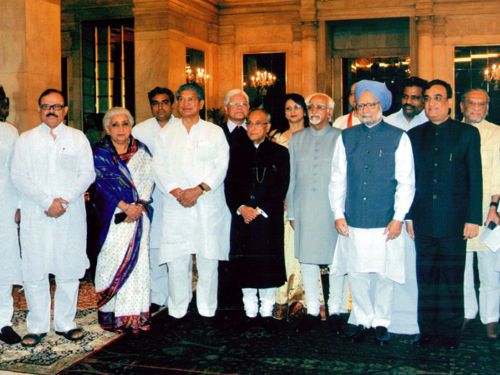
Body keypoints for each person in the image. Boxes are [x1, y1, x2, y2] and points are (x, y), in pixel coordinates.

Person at [330, 80, 415, 345]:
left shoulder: (398, 137)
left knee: (384, 273)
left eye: (371, 104)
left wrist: (399, 217)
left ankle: (381, 322)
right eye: (361, 104)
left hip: (385, 219)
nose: (366, 109)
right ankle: (364, 320)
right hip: (354, 217)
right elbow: (337, 179)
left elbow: (406, 182)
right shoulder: (345, 136)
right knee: (356, 272)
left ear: (382, 106)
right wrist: (338, 213)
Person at [11, 89, 95, 347]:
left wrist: (63, 200)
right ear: (39, 109)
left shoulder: (78, 138)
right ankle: (36, 326)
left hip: (69, 215)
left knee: (68, 269)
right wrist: (47, 202)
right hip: (37, 214)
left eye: (57, 106)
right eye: (46, 105)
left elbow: (87, 174)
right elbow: (19, 176)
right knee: (35, 271)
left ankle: (65, 323)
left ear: (65, 110)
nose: (51, 110)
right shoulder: (26, 139)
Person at [407, 80, 482, 350]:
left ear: (450, 102)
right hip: (423, 221)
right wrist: (409, 217)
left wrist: (473, 218)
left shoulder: (467, 134)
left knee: (452, 279)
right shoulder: (415, 135)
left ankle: (450, 333)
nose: (431, 103)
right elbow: (409, 180)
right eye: (427, 98)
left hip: (455, 222)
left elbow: (476, 178)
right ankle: (426, 331)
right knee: (426, 279)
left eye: (437, 98)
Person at [153, 83, 230, 323]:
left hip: (207, 204)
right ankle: (178, 310)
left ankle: (207, 309)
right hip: (176, 205)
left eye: (191, 99)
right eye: (182, 99)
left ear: (201, 104)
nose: (186, 103)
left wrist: (199, 190)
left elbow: (221, 166)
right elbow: (159, 168)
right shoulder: (166, 134)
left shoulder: (214, 131)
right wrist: (178, 192)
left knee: (208, 260)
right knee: (177, 260)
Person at [225, 108, 289, 333]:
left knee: (266, 267)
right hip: (243, 219)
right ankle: (250, 313)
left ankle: (267, 312)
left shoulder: (280, 153)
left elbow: (281, 186)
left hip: (266, 220)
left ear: (268, 127)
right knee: (246, 268)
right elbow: (230, 185)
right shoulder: (236, 152)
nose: (252, 128)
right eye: (249, 123)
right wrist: (241, 208)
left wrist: (260, 209)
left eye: (258, 124)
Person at [92, 107, 154, 333]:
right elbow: (99, 184)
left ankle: (135, 316)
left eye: (125, 123)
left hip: (139, 216)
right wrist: (124, 206)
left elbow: (149, 180)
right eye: (115, 124)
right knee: (110, 262)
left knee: (137, 266)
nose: (120, 129)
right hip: (112, 218)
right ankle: (111, 316)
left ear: (131, 126)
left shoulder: (143, 151)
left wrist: (138, 206)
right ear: (107, 128)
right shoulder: (100, 153)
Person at [287, 92, 345, 333]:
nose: (314, 110)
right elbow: (290, 177)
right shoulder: (296, 138)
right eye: (311, 106)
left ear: (330, 112)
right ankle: (312, 309)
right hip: (304, 206)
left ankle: (336, 309)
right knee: (308, 258)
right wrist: (291, 209)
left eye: (320, 107)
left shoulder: (341, 137)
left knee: (336, 259)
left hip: (333, 207)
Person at [384, 76, 428, 335]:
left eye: (415, 97)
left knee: (415, 265)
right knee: (393, 263)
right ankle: (389, 317)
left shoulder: (430, 123)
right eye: (406, 96)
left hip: (421, 206)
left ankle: (415, 320)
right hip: (394, 205)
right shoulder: (389, 123)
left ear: (424, 99)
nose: (409, 102)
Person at [460, 88, 500, 339]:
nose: (476, 108)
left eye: (481, 104)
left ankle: (491, 317)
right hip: (460, 211)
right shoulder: (454, 130)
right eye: (472, 103)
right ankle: (467, 312)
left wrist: (494, 208)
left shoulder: (496, 133)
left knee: (489, 268)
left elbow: (498, 173)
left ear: (487, 107)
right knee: (461, 267)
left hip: (488, 211)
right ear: (462, 106)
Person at [133, 87, 176, 314]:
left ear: (173, 104)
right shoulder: (140, 130)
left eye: (165, 102)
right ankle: (158, 297)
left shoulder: (182, 127)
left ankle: (181, 297)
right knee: (154, 247)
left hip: (178, 197)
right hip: (151, 198)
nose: (161, 107)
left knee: (179, 250)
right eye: (156, 103)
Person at [270, 93, 309, 320]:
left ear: (304, 110)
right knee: (285, 249)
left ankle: (303, 299)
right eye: (288, 108)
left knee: (305, 248)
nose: (293, 111)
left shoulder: (313, 135)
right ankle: (282, 299)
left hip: (307, 200)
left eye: (296, 107)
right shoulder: (276, 137)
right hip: (282, 202)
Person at [217, 89, 251, 318]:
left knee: (245, 248)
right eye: (234, 103)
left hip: (248, 202)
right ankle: (224, 301)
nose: (239, 107)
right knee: (222, 248)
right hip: (219, 198)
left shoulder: (258, 130)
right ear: (226, 108)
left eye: (243, 103)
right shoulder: (215, 132)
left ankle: (246, 300)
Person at [0, 119, 22, 345]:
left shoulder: (9, 132)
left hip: (3, 205)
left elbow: (17, 171)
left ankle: (2, 321)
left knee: (4, 263)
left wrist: (18, 205)